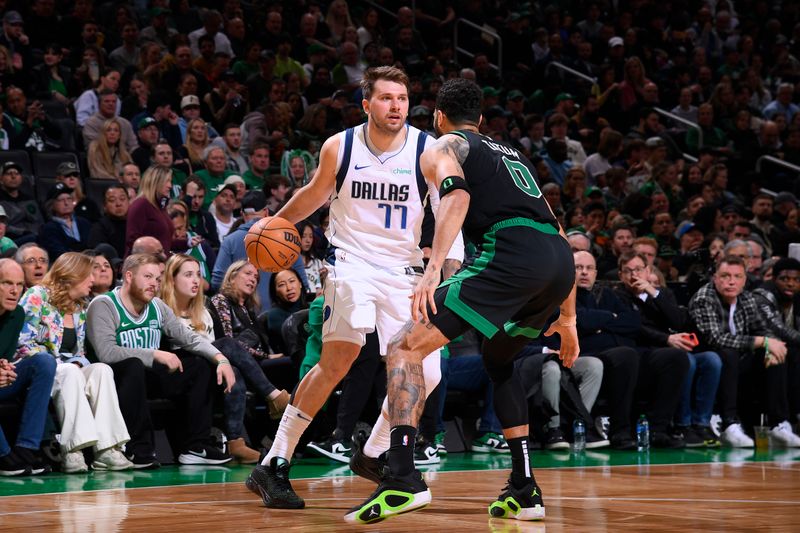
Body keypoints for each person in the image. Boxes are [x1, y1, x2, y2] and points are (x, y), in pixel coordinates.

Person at [341, 78, 577, 524]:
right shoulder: (513, 155)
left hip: (510, 256)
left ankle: (402, 478)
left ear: (438, 116)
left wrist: (432, 272)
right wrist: (569, 319)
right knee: (499, 359)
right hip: (557, 263)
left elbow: (458, 194)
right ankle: (525, 489)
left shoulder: (443, 142)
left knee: (404, 348)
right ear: (482, 119)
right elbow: (561, 233)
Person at [245, 67, 464, 510]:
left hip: (405, 269)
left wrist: (444, 269)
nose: (396, 106)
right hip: (351, 264)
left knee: (431, 370)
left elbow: (450, 210)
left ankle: (372, 451)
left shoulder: (428, 148)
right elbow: (316, 192)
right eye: (386, 98)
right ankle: (275, 461)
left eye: (402, 98)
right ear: (367, 104)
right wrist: (277, 223)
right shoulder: (340, 145)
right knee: (340, 358)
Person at [86, 253, 235, 468]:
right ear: (128, 276)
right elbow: (106, 353)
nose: (154, 284)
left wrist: (221, 359)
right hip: (113, 381)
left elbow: (189, 338)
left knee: (200, 366)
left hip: (148, 379)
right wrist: (154, 354)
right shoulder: (104, 305)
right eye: (147, 277)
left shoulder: (156, 306)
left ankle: (195, 447)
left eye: (157, 279)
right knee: (133, 366)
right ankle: (139, 449)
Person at [16, 252, 133, 473]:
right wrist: (61, 362)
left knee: (101, 370)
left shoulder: (80, 307)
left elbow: (80, 351)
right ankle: (72, 451)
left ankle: (107, 449)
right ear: (73, 275)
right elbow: (22, 343)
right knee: (68, 370)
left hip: (68, 369)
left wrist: (79, 361)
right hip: (40, 370)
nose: (93, 280)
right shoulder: (36, 296)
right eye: (89, 274)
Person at [162, 254, 281, 463]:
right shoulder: (162, 309)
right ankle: (273, 396)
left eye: (198, 275)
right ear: (172, 279)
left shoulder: (205, 308)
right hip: (182, 369)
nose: (196, 281)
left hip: (212, 370)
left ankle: (236, 442)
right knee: (227, 344)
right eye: (188, 275)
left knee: (233, 370)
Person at [689, 255, 796, 447]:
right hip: (710, 361)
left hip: (740, 360)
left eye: (737, 276)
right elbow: (716, 338)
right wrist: (762, 341)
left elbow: (762, 329)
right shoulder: (704, 298)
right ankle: (730, 423)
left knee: (777, 351)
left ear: (744, 280)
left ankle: (778, 424)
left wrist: (770, 346)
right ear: (715, 278)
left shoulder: (746, 297)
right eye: (725, 275)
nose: (731, 281)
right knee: (728, 351)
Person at [207, 260, 291, 421]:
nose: (253, 279)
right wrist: (266, 356)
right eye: (247, 274)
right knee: (289, 364)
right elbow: (229, 341)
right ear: (232, 277)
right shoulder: (221, 300)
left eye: (256, 277)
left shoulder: (250, 310)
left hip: (254, 362)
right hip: (240, 363)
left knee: (291, 363)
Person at [0, 259, 57, 476]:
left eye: (19, 285)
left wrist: (4, 368)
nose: (14, 291)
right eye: (6, 283)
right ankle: (4, 455)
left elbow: (5, 356)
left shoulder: (17, 314)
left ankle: (26, 449)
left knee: (44, 362)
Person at [38, 183, 91, 261]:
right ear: (52, 205)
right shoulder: (48, 229)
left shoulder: (84, 223)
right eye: (61, 200)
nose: (66, 203)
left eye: (69, 199)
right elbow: (59, 253)